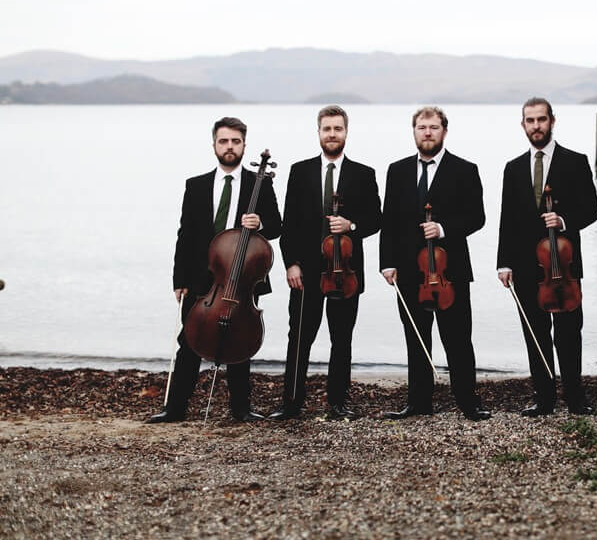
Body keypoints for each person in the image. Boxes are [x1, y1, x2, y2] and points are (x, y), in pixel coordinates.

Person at [148, 116, 282, 423]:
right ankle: (175, 408)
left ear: (244, 146)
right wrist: (179, 279)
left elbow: (276, 226)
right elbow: (185, 235)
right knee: (189, 341)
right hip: (201, 277)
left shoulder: (259, 183)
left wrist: (259, 223)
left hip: (241, 277)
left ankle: (241, 409)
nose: (230, 147)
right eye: (224, 141)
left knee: (240, 342)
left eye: (236, 141)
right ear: (214, 145)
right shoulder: (195, 186)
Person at [268, 106, 382, 421]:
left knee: (341, 339)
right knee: (299, 337)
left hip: (345, 273)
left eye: (338, 129)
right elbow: (288, 225)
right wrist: (290, 265)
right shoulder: (300, 171)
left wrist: (352, 226)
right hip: (305, 273)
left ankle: (337, 402)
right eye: (327, 129)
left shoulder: (364, 173)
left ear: (346, 132)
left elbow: (375, 219)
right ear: (318, 132)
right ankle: (291, 403)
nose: (332, 134)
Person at [379, 106, 490, 421]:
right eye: (421, 127)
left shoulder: (465, 169)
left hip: (449, 271)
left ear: (444, 130)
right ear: (414, 131)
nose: (427, 132)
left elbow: (476, 218)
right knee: (416, 338)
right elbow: (389, 222)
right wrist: (386, 263)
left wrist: (443, 229)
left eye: (433, 127)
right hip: (408, 271)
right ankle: (418, 401)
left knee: (457, 337)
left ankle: (468, 401)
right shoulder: (397, 170)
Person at [496, 97, 597, 416]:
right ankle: (544, 398)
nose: (536, 126)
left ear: (552, 121)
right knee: (535, 333)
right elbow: (507, 219)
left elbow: (592, 210)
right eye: (530, 120)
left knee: (569, 332)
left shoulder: (576, 161)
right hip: (528, 267)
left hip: (564, 267)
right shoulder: (513, 168)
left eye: (541, 119)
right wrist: (504, 262)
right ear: (523, 125)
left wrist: (565, 220)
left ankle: (575, 397)